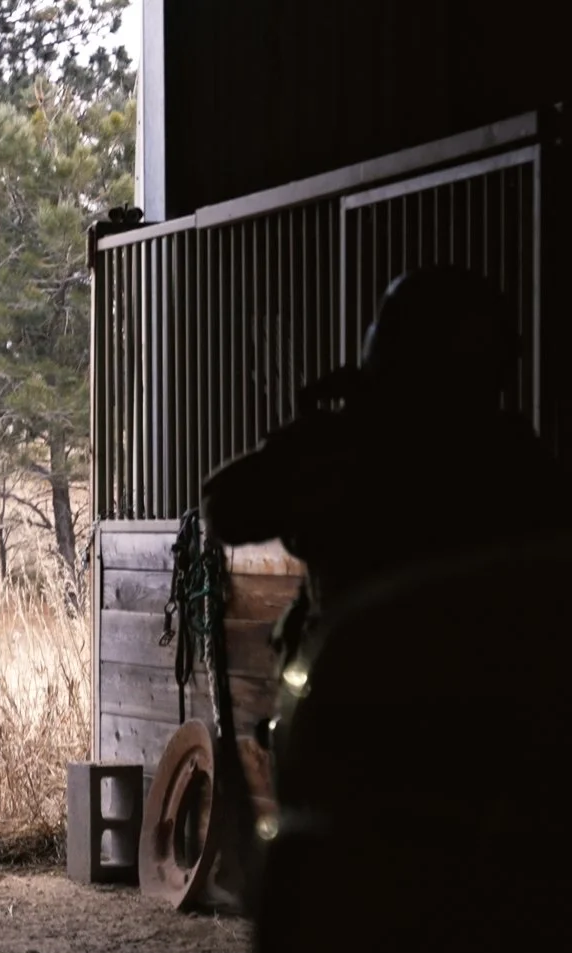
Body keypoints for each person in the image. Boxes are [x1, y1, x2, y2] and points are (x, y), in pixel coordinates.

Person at [200, 264, 572, 683]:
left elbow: (222, 507)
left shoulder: (346, 445)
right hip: (486, 709)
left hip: (357, 705)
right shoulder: (517, 456)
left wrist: (316, 428)